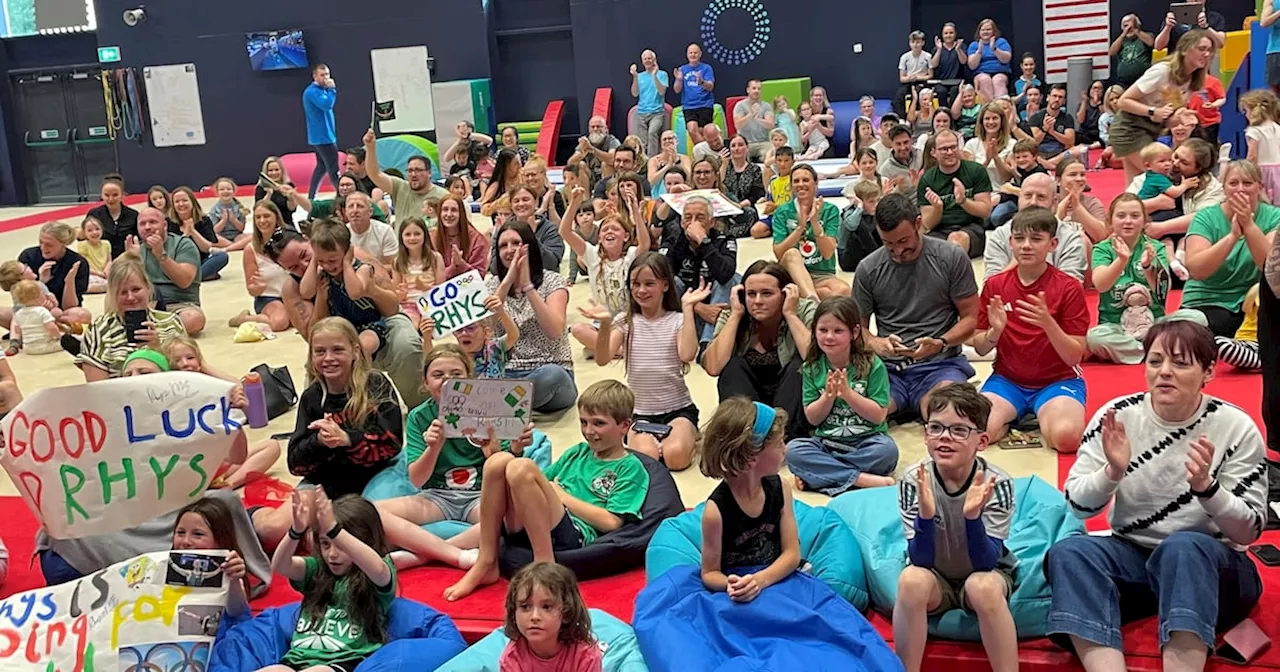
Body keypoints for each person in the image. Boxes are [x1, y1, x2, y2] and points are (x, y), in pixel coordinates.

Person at [1048, 320, 1265, 672]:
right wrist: (1112, 473)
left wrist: (1208, 490)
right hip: (1136, 558)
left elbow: (1249, 531)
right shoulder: (1116, 417)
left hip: (1213, 566)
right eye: (1155, 361)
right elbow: (1076, 505)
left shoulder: (1235, 426)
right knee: (1070, 552)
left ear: (1208, 371)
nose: (1164, 372)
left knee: (1182, 546)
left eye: (1180, 363)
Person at [444, 380, 651, 600]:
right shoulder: (578, 452)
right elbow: (531, 485)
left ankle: (545, 567)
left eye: (598, 424)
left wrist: (562, 496)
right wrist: (498, 453)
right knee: (498, 461)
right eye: (583, 422)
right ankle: (487, 560)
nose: (589, 431)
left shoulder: (629, 467)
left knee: (521, 467)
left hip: (574, 534)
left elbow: (612, 523)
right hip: (534, 523)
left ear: (624, 426)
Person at [895, 384, 1018, 672]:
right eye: (936, 428)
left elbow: (987, 562)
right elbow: (920, 560)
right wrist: (925, 515)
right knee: (911, 580)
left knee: (982, 586)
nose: (945, 438)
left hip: (985, 572)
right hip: (934, 576)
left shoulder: (996, 483)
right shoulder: (914, 480)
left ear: (982, 441)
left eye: (959, 430)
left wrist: (972, 518)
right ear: (925, 435)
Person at [373, 344, 523, 570]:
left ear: (469, 379)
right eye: (438, 375)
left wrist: (493, 451)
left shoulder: (489, 409)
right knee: (370, 513)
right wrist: (433, 447)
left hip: (480, 496)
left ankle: (427, 555)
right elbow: (417, 480)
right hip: (436, 496)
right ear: (425, 383)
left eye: (456, 375)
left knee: (517, 517)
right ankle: (459, 551)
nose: (447, 382)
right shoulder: (419, 416)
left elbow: (502, 472)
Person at [970, 208, 1089, 453]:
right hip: (1007, 381)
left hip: (1058, 381)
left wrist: (1048, 323)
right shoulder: (995, 285)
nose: (1026, 246)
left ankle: (1039, 414)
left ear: (1052, 244)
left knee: (1066, 439)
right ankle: (1015, 415)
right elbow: (980, 347)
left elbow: (1074, 356)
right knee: (975, 434)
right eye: (1019, 239)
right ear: (1010, 242)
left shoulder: (1068, 288)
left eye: (1036, 239)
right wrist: (995, 331)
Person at [856, 193, 979, 420]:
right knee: (862, 417)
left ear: (918, 224)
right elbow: (857, 329)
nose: (898, 251)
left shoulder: (951, 257)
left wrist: (941, 343)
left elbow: (971, 318)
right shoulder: (868, 268)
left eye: (903, 242)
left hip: (940, 365)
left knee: (945, 416)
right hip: (889, 370)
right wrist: (875, 342)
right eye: (888, 244)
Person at [588, 253, 700, 470]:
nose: (641, 290)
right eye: (635, 284)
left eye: (649, 284)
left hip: (678, 409)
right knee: (647, 461)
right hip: (639, 413)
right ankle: (660, 442)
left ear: (665, 285)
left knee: (676, 457)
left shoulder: (676, 320)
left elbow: (687, 354)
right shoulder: (626, 321)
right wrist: (603, 325)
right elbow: (602, 359)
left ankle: (686, 437)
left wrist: (687, 309)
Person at [266, 490, 397, 672]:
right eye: (325, 544)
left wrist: (336, 532)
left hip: (342, 663)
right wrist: (295, 532)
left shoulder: (375, 574)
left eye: (341, 546)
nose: (332, 554)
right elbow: (280, 565)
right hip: (297, 661)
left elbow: (378, 568)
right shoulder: (317, 570)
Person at [785, 296, 897, 495]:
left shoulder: (873, 365)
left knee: (887, 452)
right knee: (793, 450)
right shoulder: (811, 368)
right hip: (826, 444)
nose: (829, 337)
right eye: (823, 330)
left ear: (854, 332)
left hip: (867, 442)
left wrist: (848, 394)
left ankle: (822, 476)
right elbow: (812, 418)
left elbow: (879, 415)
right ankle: (859, 479)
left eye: (838, 331)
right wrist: (827, 397)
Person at [287, 317, 403, 498]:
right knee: (276, 525)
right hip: (330, 479)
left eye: (338, 350)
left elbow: (392, 444)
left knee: (364, 516)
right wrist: (319, 441)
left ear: (355, 351)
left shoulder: (375, 384)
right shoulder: (312, 397)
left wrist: (348, 439)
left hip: (378, 475)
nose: (328, 358)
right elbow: (295, 465)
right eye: (319, 351)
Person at [699, 398, 801, 602]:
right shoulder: (715, 512)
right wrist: (733, 585)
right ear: (751, 458)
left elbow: (792, 554)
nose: (785, 449)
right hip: (739, 591)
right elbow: (709, 573)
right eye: (779, 443)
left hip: (774, 579)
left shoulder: (781, 488)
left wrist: (760, 581)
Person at [1088, 193, 1205, 364]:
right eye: (1121, 216)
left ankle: (1147, 349)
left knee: (1197, 318)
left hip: (1154, 325)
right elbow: (1101, 284)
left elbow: (1163, 291)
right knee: (1095, 338)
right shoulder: (1102, 249)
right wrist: (1121, 260)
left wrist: (1149, 267)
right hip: (1116, 327)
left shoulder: (1155, 247)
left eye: (1135, 216)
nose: (1128, 221)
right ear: (1110, 221)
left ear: (1144, 221)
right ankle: (1154, 351)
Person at [702, 261, 814, 436]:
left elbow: (816, 360)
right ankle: (745, 436)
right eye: (751, 294)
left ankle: (783, 437)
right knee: (732, 367)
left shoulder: (804, 310)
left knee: (799, 367)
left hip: (791, 404)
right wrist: (736, 315)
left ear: (785, 294)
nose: (758, 301)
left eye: (767, 293)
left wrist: (790, 315)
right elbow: (713, 367)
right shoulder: (732, 314)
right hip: (750, 402)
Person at [486, 221, 578, 413]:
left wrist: (528, 286)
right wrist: (508, 280)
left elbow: (554, 330)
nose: (510, 250)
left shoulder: (552, 280)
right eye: (503, 245)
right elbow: (485, 328)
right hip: (506, 373)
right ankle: (509, 405)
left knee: (551, 376)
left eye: (516, 243)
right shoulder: (492, 285)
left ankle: (496, 404)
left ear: (529, 246)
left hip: (550, 370)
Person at [1183, 160, 1280, 337]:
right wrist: (1232, 237)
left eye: (1247, 183)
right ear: (1224, 188)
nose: (1240, 189)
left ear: (1259, 187)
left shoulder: (1275, 217)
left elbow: (1270, 268)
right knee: (1205, 325)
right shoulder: (1206, 217)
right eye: (1233, 183)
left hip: (1253, 302)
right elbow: (1197, 269)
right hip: (1209, 301)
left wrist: (1249, 226)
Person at [1108, 29, 1215, 183]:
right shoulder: (1163, 71)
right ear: (1184, 50)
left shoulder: (1193, 81)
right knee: (1160, 176)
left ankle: (1131, 206)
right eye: (1201, 49)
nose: (1207, 54)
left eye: (1209, 50)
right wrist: (1152, 112)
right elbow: (1123, 101)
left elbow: (1167, 120)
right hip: (1129, 128)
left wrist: (1181, 117)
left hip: (1152, 129)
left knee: (1136, 184)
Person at [75, 256, 185, 381]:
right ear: (113, 296)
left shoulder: (171, 322)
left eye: (136, 289)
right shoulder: (98, 331)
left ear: (148, 289)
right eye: (122, 292)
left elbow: (187, 373)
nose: (130, 297)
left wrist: (158, 349)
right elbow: (99, 389)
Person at [563, 186, 644, 352]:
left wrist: (635, 209)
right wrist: (573, 204)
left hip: (629, 321)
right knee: (578, 329)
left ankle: (606, 350)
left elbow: (645, 243)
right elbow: (565, 232)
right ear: (599, 237)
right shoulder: (593, 256)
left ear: (626, 236)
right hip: (602, 323)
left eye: (615, 229)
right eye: (605, 229)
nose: (609, 232)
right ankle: (618, 350)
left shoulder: (630, 255)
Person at [301, 219, 398, 356]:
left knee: (360, 349)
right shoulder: (323, 274)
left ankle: (363, 375)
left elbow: (354, 292)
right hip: (341, 329)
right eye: (322, 261)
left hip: (370, 326)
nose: (328, 266)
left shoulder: (362, 269)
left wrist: (346, 263)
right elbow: (305, 292)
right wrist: (314, 262)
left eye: (333, 260)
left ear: (347, 252)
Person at [660, 194, 740, 345]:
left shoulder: (725, 240)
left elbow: (725, 275)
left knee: (730, 279)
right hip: (685, 310)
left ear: (711, 222)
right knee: (669, 280)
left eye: (700, 218)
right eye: (688, 217)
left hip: (716, 307)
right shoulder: (672, 242)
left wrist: (703, 241)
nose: (693, 223)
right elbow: (661, 281)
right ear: (682, 222)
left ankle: (708, 343)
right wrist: (697, 307)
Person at [984, 173, 1088, 282]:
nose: (1033, 202)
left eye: (1041, 197)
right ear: (1019, 199)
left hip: (1053, 299)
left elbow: (1071, 289)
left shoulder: (1070, 237)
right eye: (1028, 195)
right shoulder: (1000, 236)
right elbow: (990, 286)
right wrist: (1017, 260)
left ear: (1054, 202)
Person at [501, 562, 604, 670]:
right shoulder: (511, 659)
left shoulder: (586, 656)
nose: (535, 616)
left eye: (546, 607)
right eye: (525, 607)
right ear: (514, 612)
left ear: (566, 612)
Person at [771, 164, 850, 298]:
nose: (801, 184)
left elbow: (827, 253)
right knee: (792, 253)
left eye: (805, 180)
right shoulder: (782, 212)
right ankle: (811, 302)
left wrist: (814, 223)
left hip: (821, 275)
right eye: (796, 181)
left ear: (816, 183)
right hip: (791, 274)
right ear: (791, 186)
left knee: (843, 291)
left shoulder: (830, 210)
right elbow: (779, 254)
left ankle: (807, 296)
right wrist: (799, 228)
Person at [127, 207, 204, 335]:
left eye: (153, 222)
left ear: (165, 225)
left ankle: (150, 331)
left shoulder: (183, 244)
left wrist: (161, 255)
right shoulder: (137, 250)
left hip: (179, 306)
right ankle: (160, 330)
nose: (147, 227)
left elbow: (184, 281)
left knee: (194, 319)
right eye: (142, 224)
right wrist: (131, 260)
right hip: (147, 306)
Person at [918, 130, 993, 258]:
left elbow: (985, 211)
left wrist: (964, 201)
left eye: (953, 147)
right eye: (944, 149)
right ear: (933, 153)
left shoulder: (976, 171)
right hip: (939, 230)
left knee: (955, 239)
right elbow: (927, 224)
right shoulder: (927, 179)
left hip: (971, 228)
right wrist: (937, 208)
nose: (950, 152)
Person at [171, 498, 250, 617]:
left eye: (198, 534)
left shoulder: (229, 571)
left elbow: (237, 612)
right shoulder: (163, 568)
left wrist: (234, 580)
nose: (186, 541)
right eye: (180, 532)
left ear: (220, 540)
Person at [228, 200, 292, 333]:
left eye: (266, 216)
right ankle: (245, 319)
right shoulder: (250, 250)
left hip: (294, 295)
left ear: (276, 217)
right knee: (279, 322)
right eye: (258, 217)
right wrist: (257, 288)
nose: (262, 221)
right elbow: (251, 289)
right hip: (269, 297)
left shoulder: (291, 242)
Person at [361, 128, 448, 222]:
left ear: (429, 173)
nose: (413, 174)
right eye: (410, 171)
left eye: (418, 170)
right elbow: (375, 174)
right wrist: (370, 147)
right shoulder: (400, 187)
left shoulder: (443, 196)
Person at [17, 221, 92, 324]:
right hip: (31, 310)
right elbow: (19, 297)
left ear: (63, 244)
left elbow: (70, 306)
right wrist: (41, 281)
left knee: (82, 315)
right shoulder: (28, 256)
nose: (43, 248)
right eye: (41, 242)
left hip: (62, 313)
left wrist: (69, 282)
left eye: (49, 245)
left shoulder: (78, 263)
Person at [169, 186, 229, 282]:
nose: (181, 204)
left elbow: (207, 248)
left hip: (199, 262)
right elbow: (171, 251)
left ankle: (191, 279)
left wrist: (193, 231)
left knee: (222, 256)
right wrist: (185, 235)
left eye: (185, 200)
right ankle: (196, 277)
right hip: (177, 264)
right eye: (177, 201)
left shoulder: (204, 220)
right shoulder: (168, 222)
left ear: (192, 202)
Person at [392, 216, 442, 325]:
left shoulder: (435, 258)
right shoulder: (397, 261)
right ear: (401, 237)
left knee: (429, 324)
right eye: (408, 234)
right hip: (408, 305)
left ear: (425, 235)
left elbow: (442, 290)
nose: (412, 238)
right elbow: (395, 295)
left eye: (417, 234)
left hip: (432, 304)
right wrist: (401, 294)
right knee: (411, 324)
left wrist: (426, 288)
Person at [302, 63, 340, 200]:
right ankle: (343, 195)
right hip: (323, 137)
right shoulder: (312, 92)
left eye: (327, 75)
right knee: (333, 169)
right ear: (315, 76)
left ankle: (311, 196)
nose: (326, 78)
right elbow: (326, 105)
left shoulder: (321, 90)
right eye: (322, 75)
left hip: (322, 136)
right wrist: (332, 90)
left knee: (322, 167)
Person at [963, 101, 1017, 193]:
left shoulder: (1012, 144)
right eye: (987, 118)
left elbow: (1007, 178)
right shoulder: (971, 145)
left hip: (1002, 194)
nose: (991, 122)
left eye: (995, 118)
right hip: (978, 194)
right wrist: (987, 161)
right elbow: (970, 178)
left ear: (1001, 121)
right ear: (981, 122)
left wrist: (996, 157)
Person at [434, 194, 489, 280]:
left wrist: (461, 264)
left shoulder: (477, 240)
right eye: (445, 210)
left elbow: (479, 277)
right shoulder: (432, 237)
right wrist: (452, 268)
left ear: (461, 214)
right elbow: (430, 276)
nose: (449, 214)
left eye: (454, 210)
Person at [1241, 89, 1280, 204]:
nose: (1246, 114)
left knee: (1262, 202)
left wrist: (1246, 171)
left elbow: (1252, 156)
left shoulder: (1255, 131)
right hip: (1278, 170)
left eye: (1246, 111)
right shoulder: (1277, 127)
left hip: (1262, 172)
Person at [86, 175, 138, 259]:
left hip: (126, 261)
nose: (110, 199)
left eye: (115, 195)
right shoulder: (93, 214)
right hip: (101, 262)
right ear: (101, 195)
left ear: (122, 195)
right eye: (106, 195)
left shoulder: (133, 215)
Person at [673, 43, 716, 146]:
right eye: (690, 53)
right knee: (692, 131)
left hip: (705, 104)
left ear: (700, 54)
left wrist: (701, 82)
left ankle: (704, 156)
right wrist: (679, 80)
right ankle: (706, 153)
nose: (693, 55)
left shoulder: (706, 68)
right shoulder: (682, 70)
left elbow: (710, 87)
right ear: (687, 55)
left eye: (695, 52)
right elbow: (677, 90)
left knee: (702, 132)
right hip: (689, 106)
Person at [6, 280, 62, 355]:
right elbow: (51, 328)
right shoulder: (42, 311)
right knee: (69, 341)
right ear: (38, 296)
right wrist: (59, 337)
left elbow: (17, 330)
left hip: (27, 348)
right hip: (45, 346)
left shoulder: (19, 314)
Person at [631, 50, 670, 156]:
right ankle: (644, 162)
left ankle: (652, 160)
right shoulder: (640, 76)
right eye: (645, 59)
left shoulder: (662, 74)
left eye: (649, 58)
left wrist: (654, 76)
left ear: (654, 60)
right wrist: (634, 76)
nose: (647, 61)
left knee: (652, 133)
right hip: (641, 112)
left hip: (657, 112)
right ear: (642, 61)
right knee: (643, 141)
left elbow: (662, 91)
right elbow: (635, 93)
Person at [1030, 84, 1077, 167]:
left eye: (1060, 97)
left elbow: (1070, 142)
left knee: (1077, 151)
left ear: (1064, 101)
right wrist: (1045, 129)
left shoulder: (1067, 118)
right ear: (1048, 98)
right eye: (1054, 96)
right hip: (1041, 152)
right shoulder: (1036, 117)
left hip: (1059, 153)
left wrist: (1053, 132)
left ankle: (1048, 165)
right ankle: (1052, 165)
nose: (1057, 99)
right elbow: (1035, 141)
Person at [344, 191, 397, 265]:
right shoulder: (341, 233)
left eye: (360, 206)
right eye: (351, 206)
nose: (355, 210)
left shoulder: (385, 231)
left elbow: (392, 266)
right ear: (346, 212)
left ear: (370, 212)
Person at [966, 19, 1013, 101]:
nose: (985, 32)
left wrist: (994, 49)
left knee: (998, 80)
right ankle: (990, 108)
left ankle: (1001, 107)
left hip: (1000, 72)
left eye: (988, 29)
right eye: (983, 30)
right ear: (979, 32)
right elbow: (972, 66)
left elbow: (1006, 60)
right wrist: (979, 52)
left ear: (994, 31)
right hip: (981, 73)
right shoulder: (974, 45)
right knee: (984, 80)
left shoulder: (1001, 42)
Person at [1154, 0, 1227, 51]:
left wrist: (1206, 27)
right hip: (1177, 66)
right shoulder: (1175, 16)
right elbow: (1158, 47)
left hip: (1201, 66)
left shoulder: (1215, 17)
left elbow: (1220, 43)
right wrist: (1168, 27)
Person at [256, 156, 311, 221]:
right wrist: (269, 194)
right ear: (266, 172)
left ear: (282, 171)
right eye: (270, 170)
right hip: (266, 223)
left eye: (277, 170)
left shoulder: (289, 186)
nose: (274, 173)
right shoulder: (261, 188)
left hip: (286, 223)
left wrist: (290, 198)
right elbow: (258, 210)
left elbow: (292, 209)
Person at [734, 79, 776, 161]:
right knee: (740, 157)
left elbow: (770, 125)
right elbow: (738, 125)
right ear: (748, 90)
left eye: (759, 89)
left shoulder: (766, 106)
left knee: (769, 155)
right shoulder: (740, 105)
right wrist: (750, 115)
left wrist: (758, 118)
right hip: (745, 143)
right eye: (754, 88)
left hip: (763, 142)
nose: (756, 91)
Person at [895, 31, 934, 118]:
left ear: (922, 43)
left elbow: (930, 75)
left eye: (918, 42)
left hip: (922, 82)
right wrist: (909, 78)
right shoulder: (904, 57)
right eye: (913, 42)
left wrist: (920, 77)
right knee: (899, 96)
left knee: (917, 94)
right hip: (909, 82)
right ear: (910, 43)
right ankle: (902, 119)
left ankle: (919, 117)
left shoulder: (928, 56)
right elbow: (902, 78)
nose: (915, 45)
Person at [1110, 14, 1155, 89]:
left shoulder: (1145, 36)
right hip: (1124, 83)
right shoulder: (1121, 40)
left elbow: (1151, 42)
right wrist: (1124, 34)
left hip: (1142, 80)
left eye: (1130, 26)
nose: (1128, 29)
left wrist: (1135, 30)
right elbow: (1111, 52)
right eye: (1125, 26)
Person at [207, 177, 251, 251]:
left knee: (254, 236)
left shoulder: (240, 208)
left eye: (228, 189)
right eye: (222, 189)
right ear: (217, 192)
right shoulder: (214, 210)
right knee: (208, 238)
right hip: (221, 238)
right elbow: (214, 231)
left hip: (237, 236)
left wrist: (233, 219)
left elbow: (241, 228)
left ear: (233, 191)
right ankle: (235, 246)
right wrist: (223, 220)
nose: (225, 191)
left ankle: (227, 248)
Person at [648, 130, 694, 197]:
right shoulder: (654, 160)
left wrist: (676, 160)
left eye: (670, 138)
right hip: (660, 196)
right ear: (661, 144)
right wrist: (668, 166)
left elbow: (690, 177)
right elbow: (652, 180)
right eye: (664, 139)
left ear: (677, 141)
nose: (667, 141)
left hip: (681, 193)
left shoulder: (684, 158)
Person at [931, 24, 966, 108]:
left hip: (957, 81)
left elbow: (964, 61)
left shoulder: (961, 46)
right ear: (942, 35)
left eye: (951, 33)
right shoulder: (936, 48)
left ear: (955, 34)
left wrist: (958, 49)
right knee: (941, 92)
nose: (948, 35)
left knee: (955, 91)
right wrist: (939, 49)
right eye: (946, 33)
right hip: (941, 81)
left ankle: (953, 115)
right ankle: (944, 113)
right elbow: (933, 65)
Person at [74, 215, 110, 293]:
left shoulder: (106, 243)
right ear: (84, 232)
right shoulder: (83, 245)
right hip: (92, 274)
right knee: (87, 282)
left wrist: (106, 270)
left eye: (97, 229)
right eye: (90, 230)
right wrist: (99, 274)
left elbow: (109, 260)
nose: (94, 232)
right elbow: (84, 265)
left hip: (104, 274)